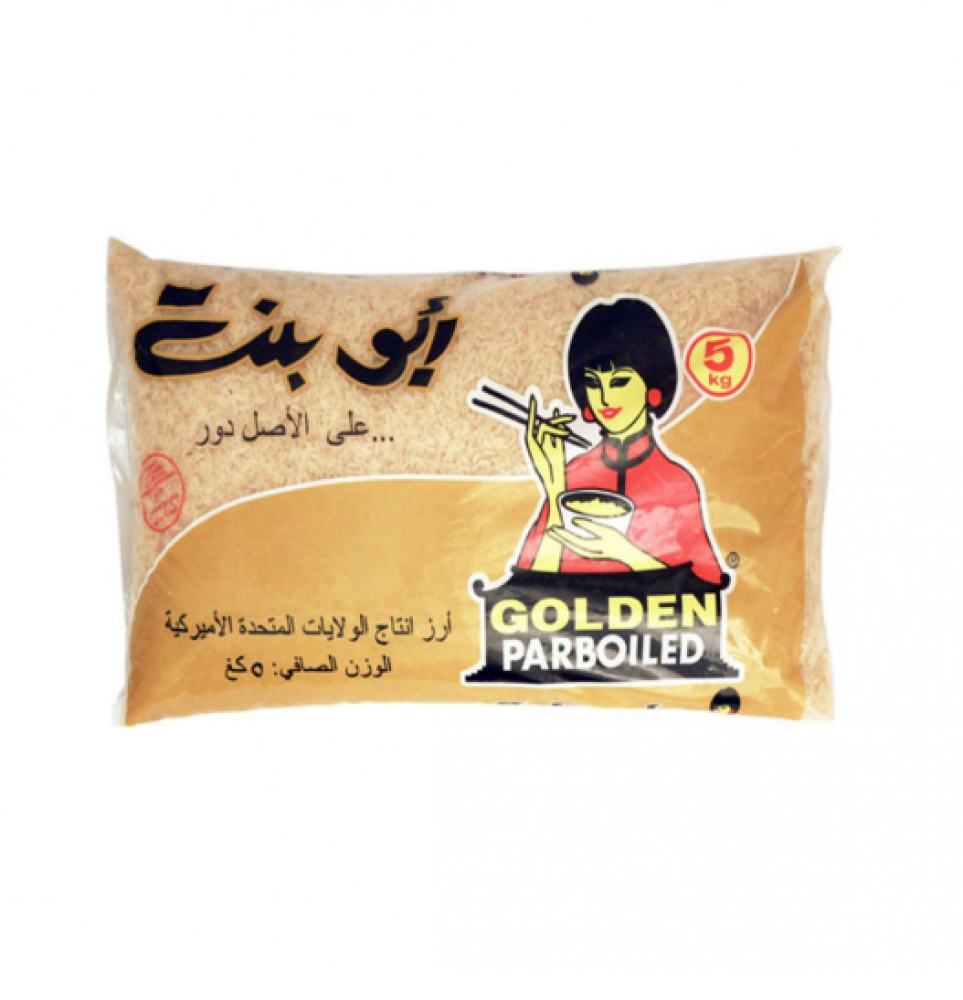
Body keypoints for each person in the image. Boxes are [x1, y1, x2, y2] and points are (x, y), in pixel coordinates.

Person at [517, 296, 723, 583]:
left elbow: (710, 586)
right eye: (593, 383)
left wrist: (626, 554)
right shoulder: (571, 476)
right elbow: (528, 587)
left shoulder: (677, 482)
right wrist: (554, 491)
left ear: (652, 385)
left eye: (619, 382)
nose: (604, 398)